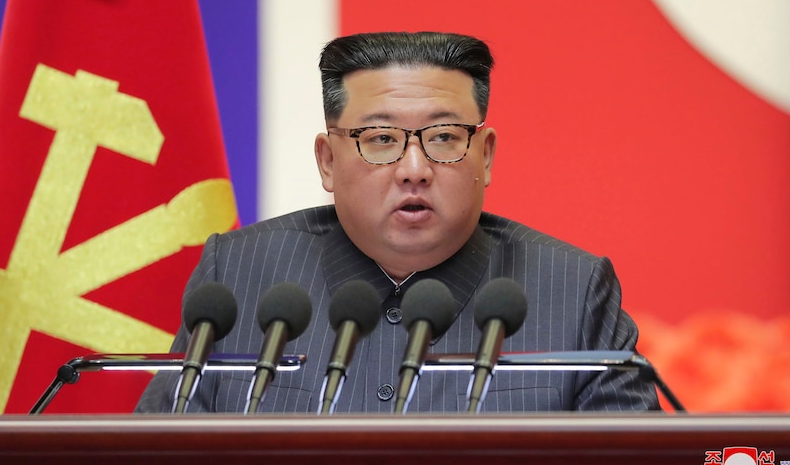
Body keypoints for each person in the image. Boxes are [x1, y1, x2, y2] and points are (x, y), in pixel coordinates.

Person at [136, 31, 661, 413]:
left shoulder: (574, 291)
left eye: (444, 137)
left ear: (487, 156)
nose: (415, 170)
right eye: (381, 139)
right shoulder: (239, 275)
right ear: (327, 161)